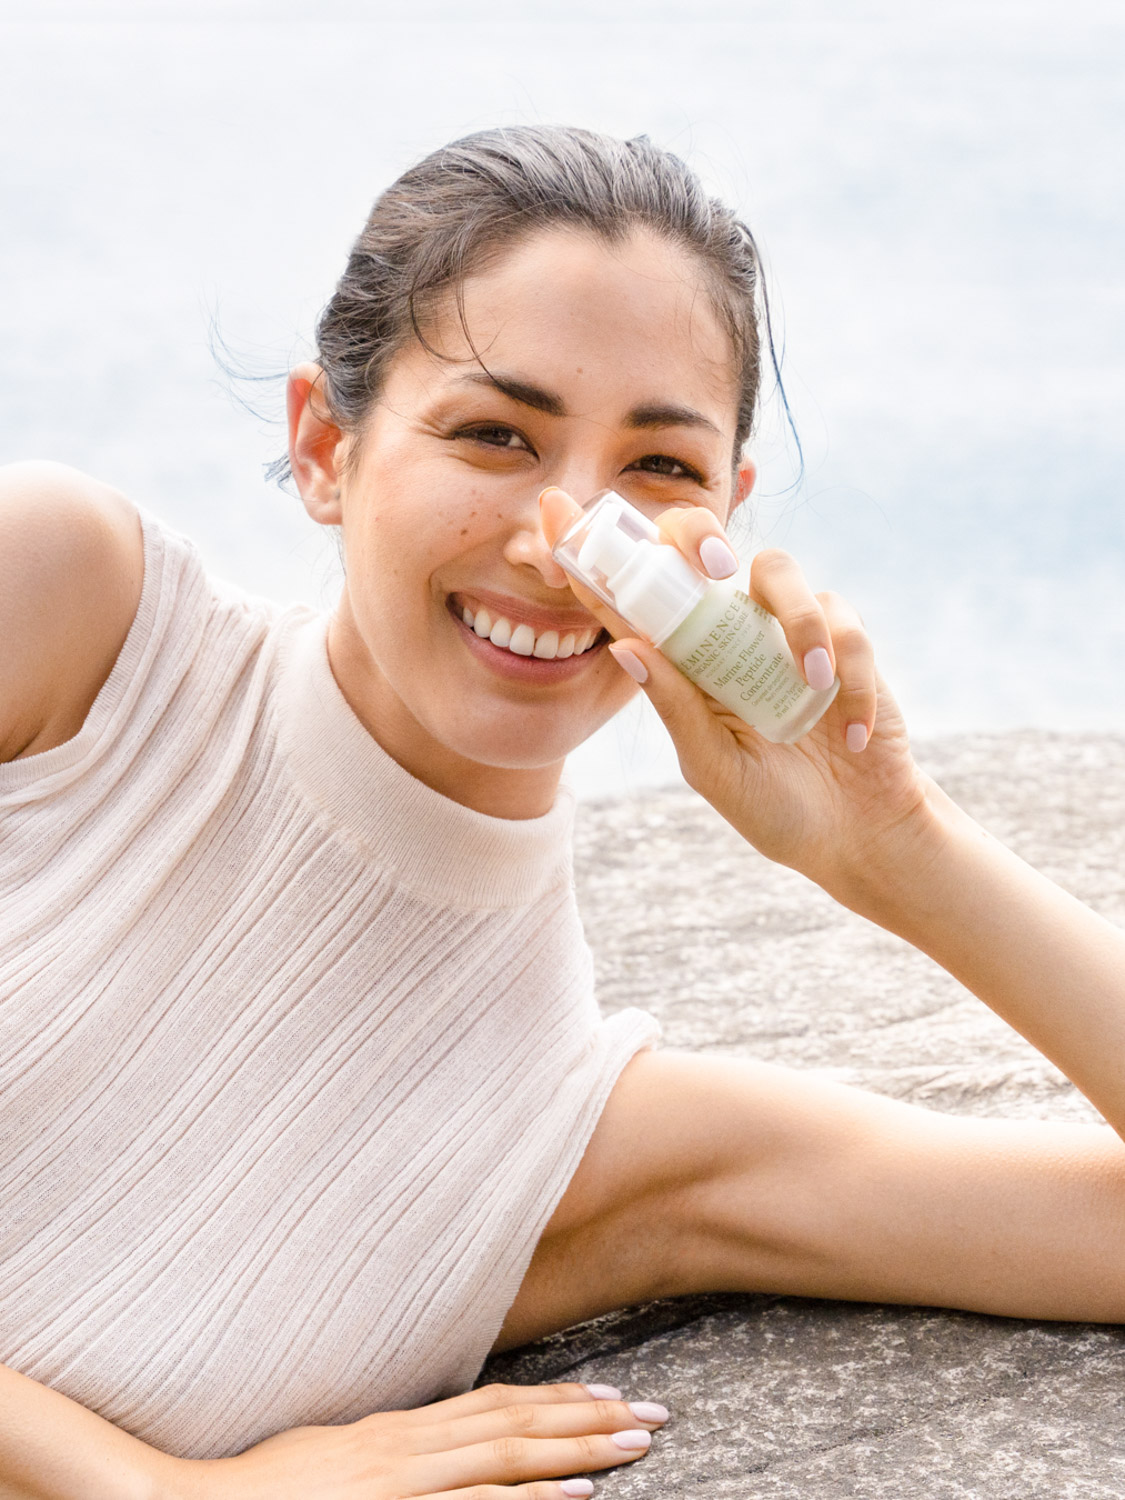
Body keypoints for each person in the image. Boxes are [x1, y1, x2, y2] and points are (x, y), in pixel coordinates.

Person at [1, 125, 1123, 1500]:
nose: (560, 538)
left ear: (725, 514)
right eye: (493, 434)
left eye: (656, 469)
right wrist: (153, 1488)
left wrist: (896, 847)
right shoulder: (71, 621)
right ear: (324, 448)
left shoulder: (581, 1149)